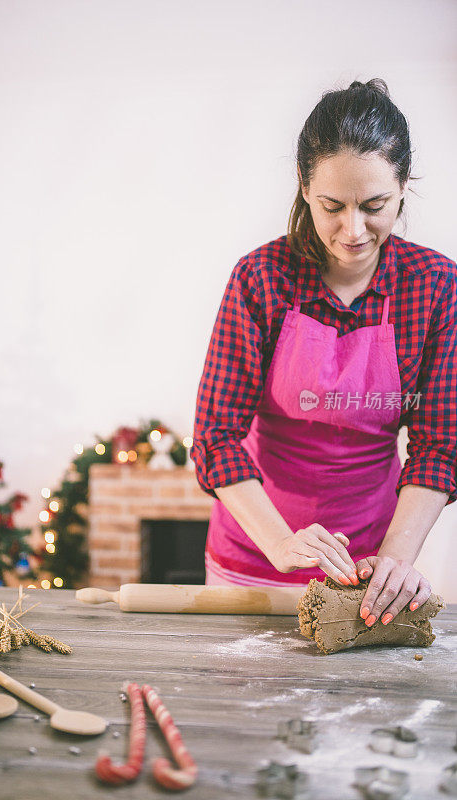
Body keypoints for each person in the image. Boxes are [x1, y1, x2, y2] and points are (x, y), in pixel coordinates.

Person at [191, 78, 457, 629]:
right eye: (333, 206)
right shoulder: (259, 280)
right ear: (304, 186)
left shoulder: (435, 287)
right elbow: (215, 438)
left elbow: (442, 446)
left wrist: (394, 562)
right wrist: (282, 544)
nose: (353, 230)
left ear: (403, 186)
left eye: (375, 205)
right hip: (253, 558)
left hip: (368, 571)